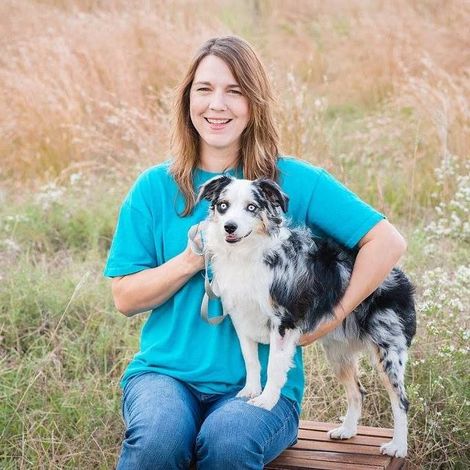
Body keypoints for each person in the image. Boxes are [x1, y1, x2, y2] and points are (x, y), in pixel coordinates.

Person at [104, 35, 407, 469]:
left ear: (255, 103)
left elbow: (387, 242)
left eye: (235, 91)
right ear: (187, 100)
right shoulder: (154, 187)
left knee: (228, 443)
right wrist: (194, 259)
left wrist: (330, 318)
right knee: (157, 440)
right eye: (204, 90)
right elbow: (125, 298)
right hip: (165, 375)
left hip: (267, 385)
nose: (217, 105)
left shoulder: (293, 181)